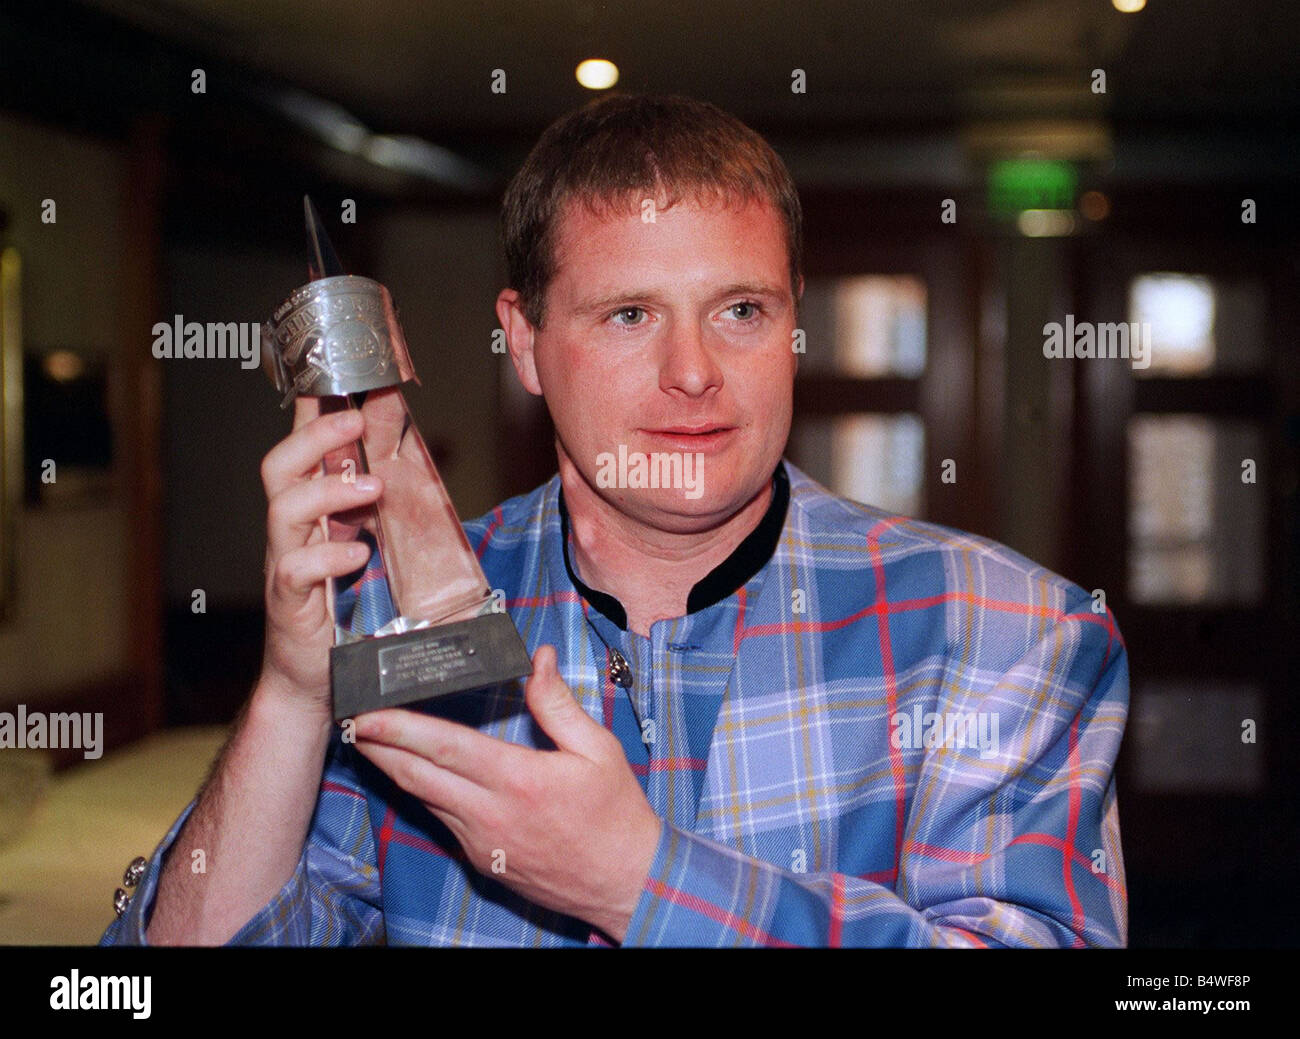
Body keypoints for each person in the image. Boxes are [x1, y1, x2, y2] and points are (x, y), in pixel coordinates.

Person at [102, 93, 1128, 947]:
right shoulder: (399, 623)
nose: (694, 373)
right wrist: (290, 691)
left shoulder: (998, 628)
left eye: (741, 310)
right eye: (629, 315)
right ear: (525, 342)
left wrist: (639, 881)